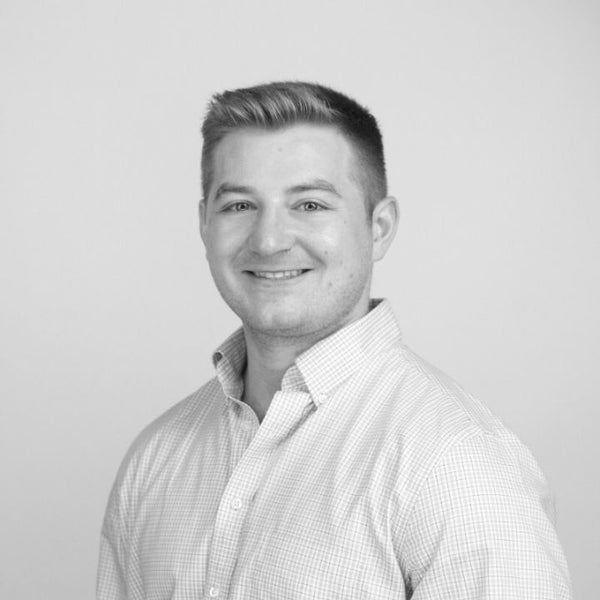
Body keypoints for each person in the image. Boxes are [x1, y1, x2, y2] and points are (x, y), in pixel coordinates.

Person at [97, 81, 572, 599]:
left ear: (379, 227)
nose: (269, 240)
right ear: (204, 225)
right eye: (239, 206)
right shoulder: (157, 455)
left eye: (310, 204)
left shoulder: (457, 465)